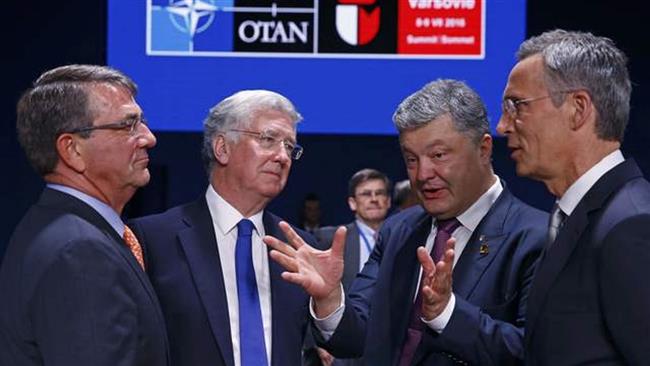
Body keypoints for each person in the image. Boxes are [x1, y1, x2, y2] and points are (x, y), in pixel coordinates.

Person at [265, 79, 548, 365]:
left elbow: (534, 354)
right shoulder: (399, 230)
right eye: (411, 159)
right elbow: (357, 335)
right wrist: (329, 300)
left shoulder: (537, 238)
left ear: (484, 149)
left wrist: (447, 314)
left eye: (438, 155)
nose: (423, 174)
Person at [129, 90, 321, 366]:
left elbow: (343, 342)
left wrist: (328, 301)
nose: (282, 157)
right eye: (268, 140)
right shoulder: (150, 240)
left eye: (290, 147)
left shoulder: (300, 247)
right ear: (222, 148)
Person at [496, 29, 650, 365]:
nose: (502, 126)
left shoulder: (632, 225)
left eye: (516, 106)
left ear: (577, 109)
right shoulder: (575, 217)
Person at [0, 64, 169, 365]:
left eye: (142, 121)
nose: (149, 137)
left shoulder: (60, 229)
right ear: (72, 150)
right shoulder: (80, 252)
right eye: (128, 125)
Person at [308, 168, 392, 366]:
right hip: (344, 348)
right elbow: (308, 294)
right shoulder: (329, 238)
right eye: (366, 194)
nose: (374, 199)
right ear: (352, 203)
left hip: (390, 347)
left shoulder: (404, 240)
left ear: (388, 201)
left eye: (379, 193)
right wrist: (318, 342)